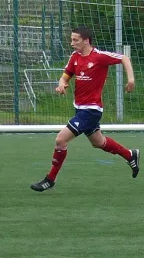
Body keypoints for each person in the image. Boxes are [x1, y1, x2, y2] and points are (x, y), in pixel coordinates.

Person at [30, 26, 139, 192]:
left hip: (92, 110)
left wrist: (131, 79)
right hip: (80, 109)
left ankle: (50, 179)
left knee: (60, 140)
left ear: (86, 41)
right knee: (99, 142)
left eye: (75, 40)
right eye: (71, 39)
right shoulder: (75, 57)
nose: (72, 43)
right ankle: (130, 155)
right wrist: (61, 84)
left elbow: (124, 58)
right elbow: (66, 74)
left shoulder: (99, 57)